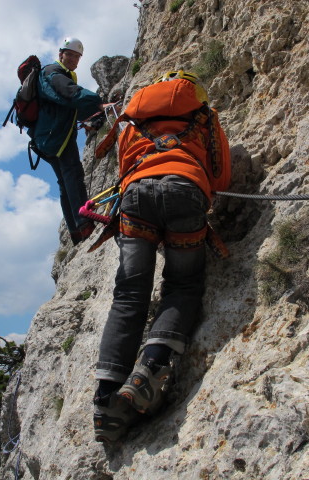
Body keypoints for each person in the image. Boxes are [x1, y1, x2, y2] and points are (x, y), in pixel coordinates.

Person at [92, 70, 232, 443]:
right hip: (185, 189)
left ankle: (106, 396)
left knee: (129, 295)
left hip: (135, 197)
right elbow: (221, 176)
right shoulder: (203, 115)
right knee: (183, 284)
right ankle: (149, 368)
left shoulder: (134, 120)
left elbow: (124, 169)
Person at [30, 37, 105, 245]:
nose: (73, 59)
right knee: (73, 174)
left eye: (76, 56)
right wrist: (98, 103)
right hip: (56, 136)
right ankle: (84, 222)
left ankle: (76, 230)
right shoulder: (53, 72)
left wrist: (91, 117)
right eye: (69, 54)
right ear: (61, 53)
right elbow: (69, 93)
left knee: (65, 182)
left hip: (48, 136)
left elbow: (65, 105)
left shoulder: (56, 74)